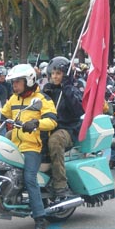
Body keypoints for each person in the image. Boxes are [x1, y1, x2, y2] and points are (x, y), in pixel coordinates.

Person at [1, 64, 58, 229]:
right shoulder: (13, 99)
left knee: (29, 178)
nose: (14, 86)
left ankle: (39, 218)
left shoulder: (42, 99)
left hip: (33, 146)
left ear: (28, 81)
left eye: (17, 82)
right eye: (13, 82)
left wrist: (36, 123)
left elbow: (52, 121)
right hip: (14, 145)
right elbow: (2, 115)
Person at [42, 56, 84, 196]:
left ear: (66, 74)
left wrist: (66, 89)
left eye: (58, 73)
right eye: (53, 73)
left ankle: (60, 183)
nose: (55, 76)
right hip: (48, 126)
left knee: (55, 141)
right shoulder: (47, 90)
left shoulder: (73, 90)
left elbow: (78, 111)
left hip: (67, 129)